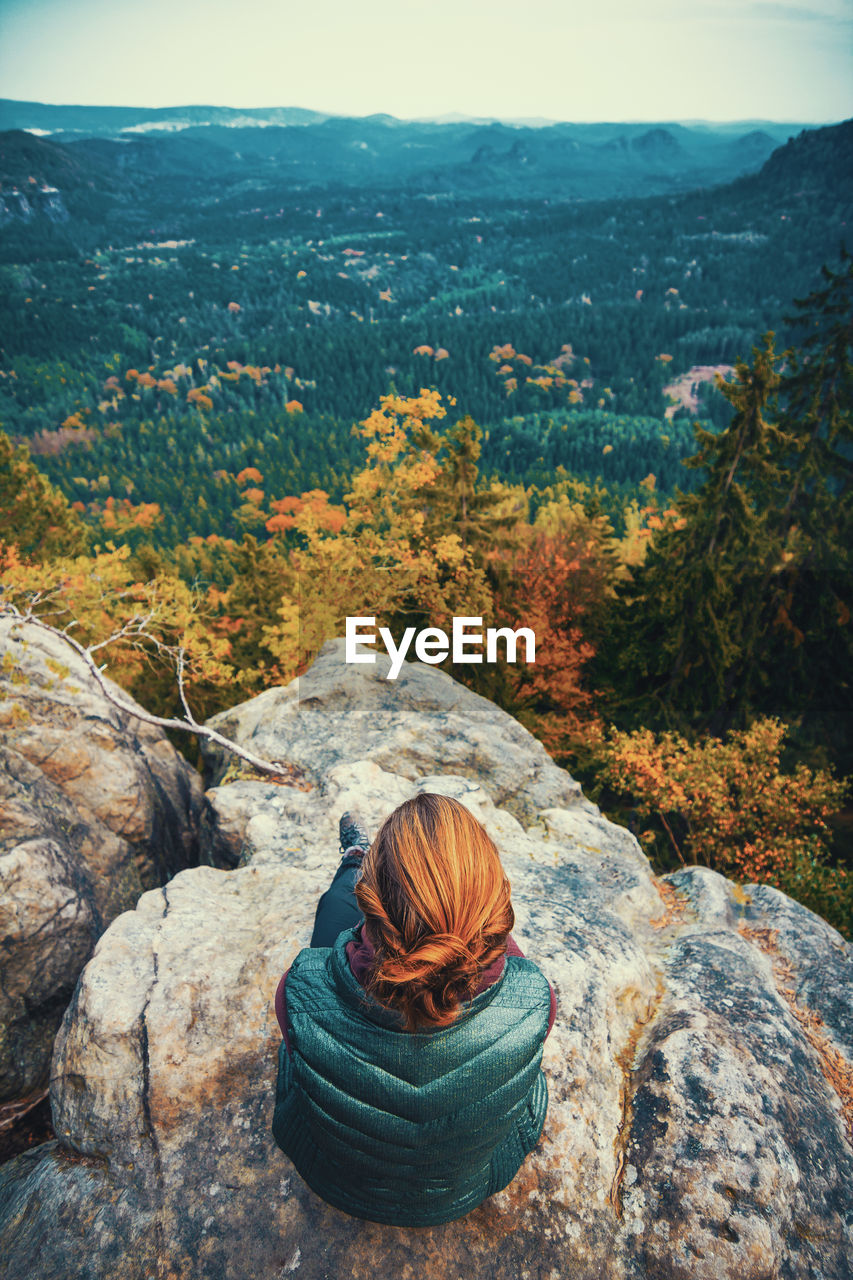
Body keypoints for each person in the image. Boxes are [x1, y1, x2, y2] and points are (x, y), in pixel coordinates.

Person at [272, 792, 556, 1227]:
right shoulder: (535, 995)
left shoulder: (300, 986)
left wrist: (367, 935)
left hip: (337, 1180)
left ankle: (355, 857)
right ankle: (372, 865)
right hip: (468, 1186)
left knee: (334, 907)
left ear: (375, 903)